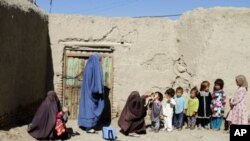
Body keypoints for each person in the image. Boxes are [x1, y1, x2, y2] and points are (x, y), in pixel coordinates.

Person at [78, 54, 104, 133]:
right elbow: (94, 81)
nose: (99, 62)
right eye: (99, 60)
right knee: (91, 108)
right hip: (91, 92)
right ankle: (89, 127)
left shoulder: (88, 66)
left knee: (85, 108)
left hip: (86, 91)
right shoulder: (93, 67)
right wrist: (97, 90)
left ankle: (84, 124)